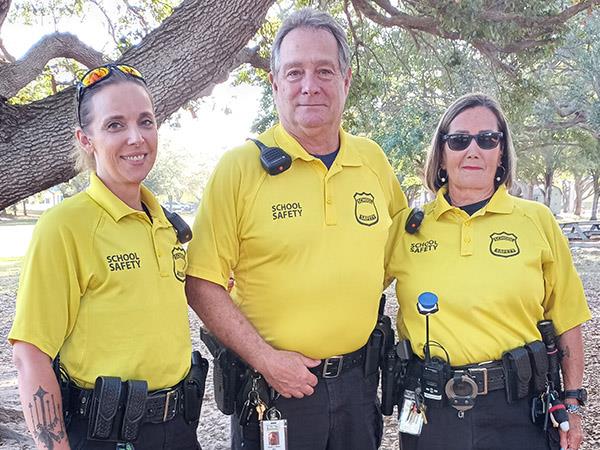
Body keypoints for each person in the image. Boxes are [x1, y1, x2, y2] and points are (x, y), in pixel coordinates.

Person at [185, 8, 407, 450]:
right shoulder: (240, 169)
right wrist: (266, 359)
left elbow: (402, 254)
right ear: (275, 83)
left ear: (345, 81)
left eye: (325, 71)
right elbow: (202, 282)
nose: (310, 85)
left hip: (359, 392)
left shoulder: (373, 162)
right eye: (295, 72)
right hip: (276, 392)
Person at [9, 64, 204, 449]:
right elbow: (30, 355)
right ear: (86, 139)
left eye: (145, 121)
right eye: (115, 125)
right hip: (105, 436)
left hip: (179, 429)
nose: (136, 137)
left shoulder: (166, 223)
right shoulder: (64, 226)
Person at [388, 93, 591, 450]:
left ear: (501, 153)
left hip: (518, 410)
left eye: (487, 139)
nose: (473, 150)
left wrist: (572, 404)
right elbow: (355, 288)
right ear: (442, 153)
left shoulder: (536, 221)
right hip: (431, 409)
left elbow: (568, 319)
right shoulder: (406, 228)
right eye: (459, 140)